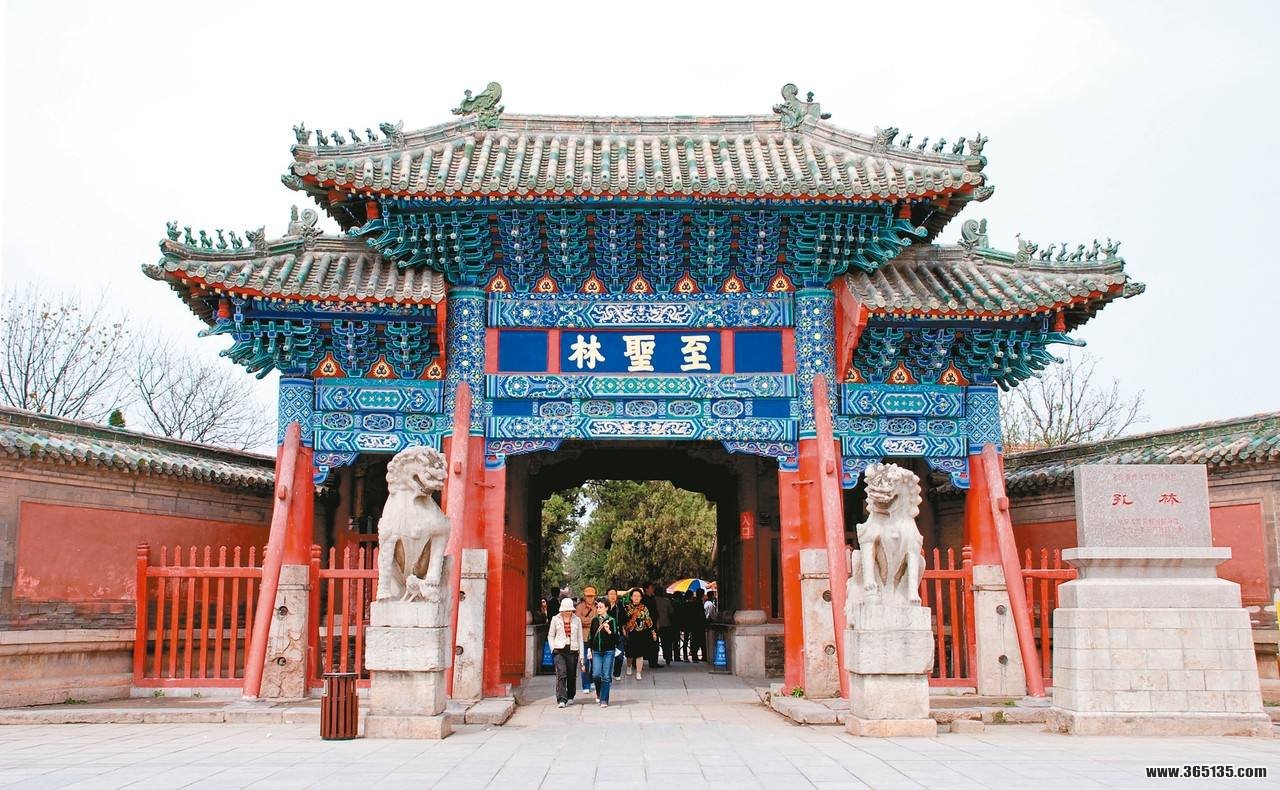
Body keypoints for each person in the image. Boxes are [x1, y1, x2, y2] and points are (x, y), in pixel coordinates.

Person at [547, 597, 584, 707]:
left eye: (569, 610)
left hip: (572, 649)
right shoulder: (555, 619)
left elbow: (580, 638)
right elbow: (550, 635)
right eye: (565, 610)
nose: (568, 612)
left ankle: (571, 695)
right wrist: (553, 648)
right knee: (561, 673)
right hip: (559, 650)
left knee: (571, 674)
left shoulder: (577, 620)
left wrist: (581, 655)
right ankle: (561, 698)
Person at [587, 599, 618, 708]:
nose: (598, 609)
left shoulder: (612, 620)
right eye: (597, 607)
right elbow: (590, 636)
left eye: (601, 607)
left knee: (606, 676)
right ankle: (599, 692)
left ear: (606, 608)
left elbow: (616, 638)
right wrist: (589, 649)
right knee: (596, 675)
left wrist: (609, 631)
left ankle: (604, 699)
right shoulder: (595, 620)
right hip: (596, 651)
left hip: (609, 651)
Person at [623, 587, 655, 680]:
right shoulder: (626, 607)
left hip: (641, 633)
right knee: (630, 654)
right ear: (631, 597)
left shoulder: (644, 608)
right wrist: (623, 629)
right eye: (634, 596)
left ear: (641, 597)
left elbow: (648, 620)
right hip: (630, 633)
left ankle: (638, 672)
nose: (636, 597)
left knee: (639, 654)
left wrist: (653, 632)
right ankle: (629, 666)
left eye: (638, 596)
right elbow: (623, 620)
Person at [575, 586, 599, 696]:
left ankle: (592, 680)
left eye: (592, 596)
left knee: (595, 661)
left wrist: (586, 621)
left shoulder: (598, 606)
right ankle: (586, 685)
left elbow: (599, 620)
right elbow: (578, 620)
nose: (590, 598)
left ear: (595, 596)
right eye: (588, 596)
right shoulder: (579, 607)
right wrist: (591, 621)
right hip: (583, 638)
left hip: (595, 638)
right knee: (584, 662)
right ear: (584, 596)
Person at [606, 587, 626, 680]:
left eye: (614, 594)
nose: (613, 596)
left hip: (618, 634)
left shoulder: (620, 606)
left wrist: (623, 629)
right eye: (611, 594)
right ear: (607, 595)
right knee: (607, 655)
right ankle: (606, 673)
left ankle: (617, 673)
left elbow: (624, 619)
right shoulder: (604, 606)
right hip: (606, 635)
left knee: (620, 656)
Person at [653, 586, 675, 667]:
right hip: (666, 624)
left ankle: (654, 660)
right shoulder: (666, 601)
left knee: (655, 643)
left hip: (655, 624)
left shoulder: (653, 601)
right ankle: (668, 658)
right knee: (666, 643)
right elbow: (671, 611)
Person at [689, 590, 708, 661]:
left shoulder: (693, 602)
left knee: (695, 641)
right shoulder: (699, 603)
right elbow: (701, 614)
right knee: (701, 641)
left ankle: (695, 656)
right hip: (699, 624)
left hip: (694, 624)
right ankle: (702, 656)